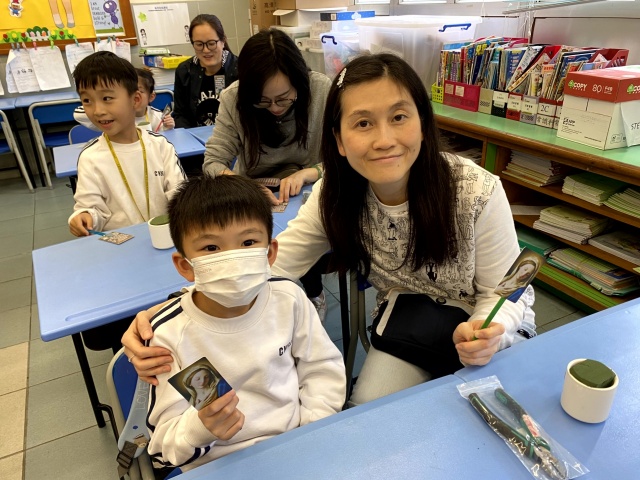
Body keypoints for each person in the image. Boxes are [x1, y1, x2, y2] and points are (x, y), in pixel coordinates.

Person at [123, 53, 535, 406]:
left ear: (422, 123)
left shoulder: (475, 190)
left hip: (486, 328)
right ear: (338, 139)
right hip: (410, 324)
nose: (384, 139)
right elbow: (273, 263)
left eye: (399, 117)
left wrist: (489, 331)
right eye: (363, 123)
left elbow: (504, 291)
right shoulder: (335, 194)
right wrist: (171, 311)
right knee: (370, 416)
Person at [145, 174, 345, 474]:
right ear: (185, 266)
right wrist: (199, 429)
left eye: (248, 242)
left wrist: (309, 432)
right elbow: (165, 446)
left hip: (297, 445)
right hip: (218, 465)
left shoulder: (289, 299)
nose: (233, 259)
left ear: (270, 252)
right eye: (211, 248)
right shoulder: (170, 335)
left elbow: (322, 370)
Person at [203, 27, 333, 316]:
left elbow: (343, 157)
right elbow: (212, 164)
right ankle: (259, 300)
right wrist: (245, 188)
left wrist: (309, 172)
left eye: (284, 98)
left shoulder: (321, 90)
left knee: (305, 239)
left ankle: (314, 293)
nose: (274, 108)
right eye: (263, 101)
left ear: (299, 81)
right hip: (255, 196)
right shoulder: (233, 98)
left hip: (307, 192)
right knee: (253, 248)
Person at [68, 52, 185, 237]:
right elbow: (90, 208)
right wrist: (84, 215)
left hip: (165, 238)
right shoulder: (90, 158)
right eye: (87, 101)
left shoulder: (160, 146)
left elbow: (179, 194)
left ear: (135, 100)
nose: (97, 111)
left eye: (107, 98)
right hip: (119, 244)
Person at [173, 14, 239, 128]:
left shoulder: (240, 68)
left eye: (211, 43)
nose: (206, 50)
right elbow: (181, 115)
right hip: (195, 136)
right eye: (199, 44)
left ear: (223, 41)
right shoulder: (184, 71)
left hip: (232, 135)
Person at [74, 68, 175, 133]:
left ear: (151, 97)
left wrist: (168, 127)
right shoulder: (116, 115)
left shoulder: (157, 116)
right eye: (129, 92)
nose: (134, 97)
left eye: (139, 92)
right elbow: (77, 114)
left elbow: (163, 137)